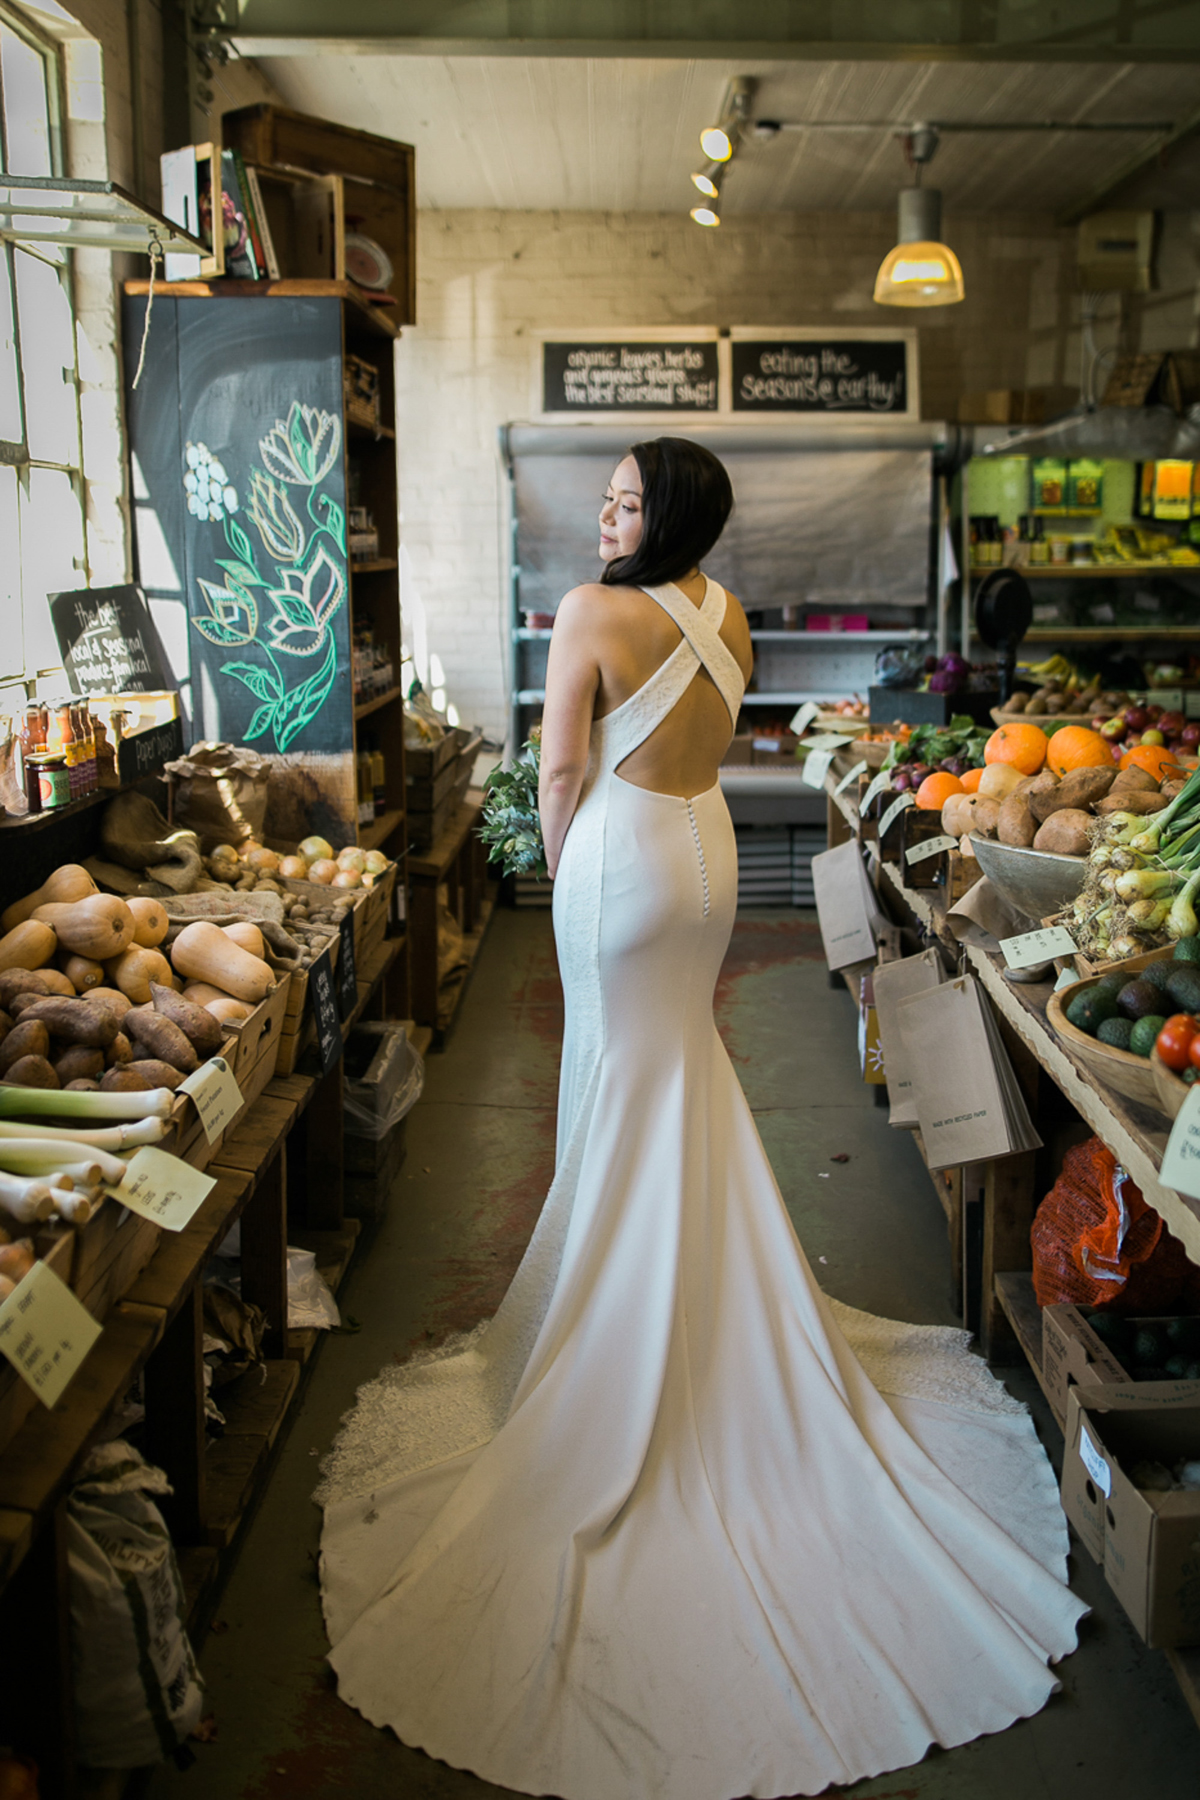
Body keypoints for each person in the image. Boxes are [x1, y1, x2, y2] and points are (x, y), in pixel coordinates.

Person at [318, 437, 1085, 1800]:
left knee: (619, 1085)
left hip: (618, 856)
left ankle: (628, 1347)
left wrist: (563, 877)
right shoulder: (723, 609)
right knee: (681, 1078)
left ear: (661, 509)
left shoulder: (590, 611)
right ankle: (705, 1318)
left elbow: (557, 776)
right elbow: (716, 738)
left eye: (623, 496)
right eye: (605, 493)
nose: (606, 511)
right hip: (710, 855)